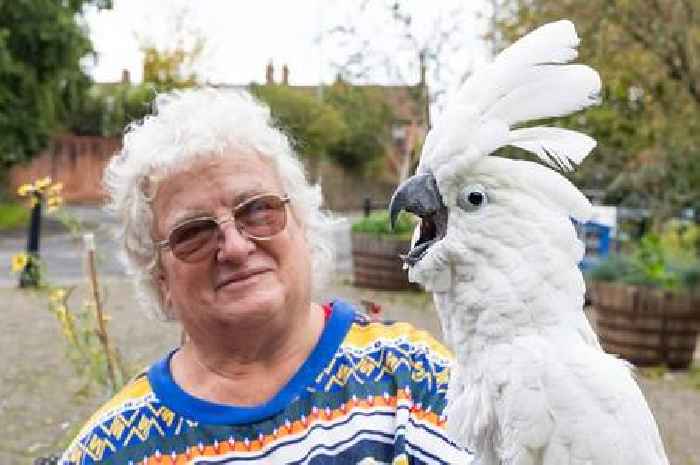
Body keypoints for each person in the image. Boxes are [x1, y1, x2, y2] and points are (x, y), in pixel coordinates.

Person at [59, 88, 474, 464]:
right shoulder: (114, 449)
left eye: (258, 210)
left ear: (302, 223)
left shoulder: (410, 377)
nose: (235, 247)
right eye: (194, 233)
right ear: (160, 278)